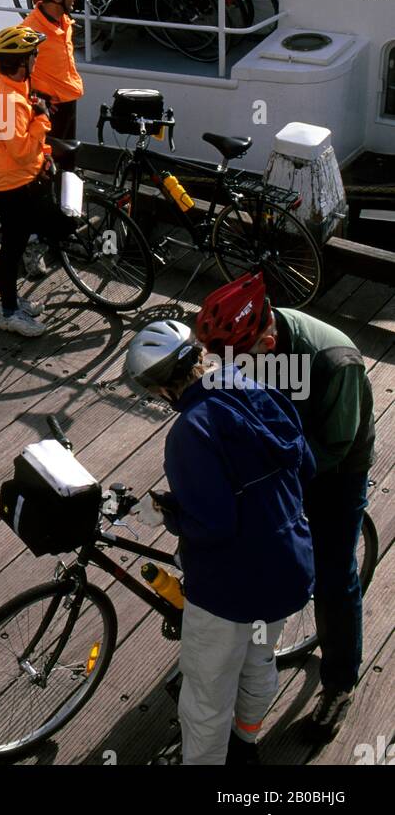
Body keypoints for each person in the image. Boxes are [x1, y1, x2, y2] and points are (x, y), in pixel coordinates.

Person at [124, 318, 315, 766]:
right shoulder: (252, 387)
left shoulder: (190, 432)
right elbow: (304, 464)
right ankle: (246, 743)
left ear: (159, 390)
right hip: (289, 568)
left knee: (206, 694)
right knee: (259, 662)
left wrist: (168, 512)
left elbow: (213, 526)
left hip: (230, 589)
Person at [196, 272, 375, 742]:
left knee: (335, 574)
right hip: (279, 446)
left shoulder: (334, 361)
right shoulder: (246, 348)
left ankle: (340, 683)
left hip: (335, 463)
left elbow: (338, 443)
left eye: (234, 360)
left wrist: (275, 474)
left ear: (268, 340)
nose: (223, 368)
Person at [0, 25, 75, 338]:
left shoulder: (18, 89)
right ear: (22, 62)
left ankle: (11, 302)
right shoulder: (8, 103)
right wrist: (42, 118)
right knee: (12, 247)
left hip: (22, 181)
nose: (37, 58)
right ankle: (8, 312)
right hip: (12, 186)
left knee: (18, 241)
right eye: (33, 54)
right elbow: (21, 152)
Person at [0, 0, 84, 141]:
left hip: (69, 102)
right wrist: (32, 96)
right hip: (50, 109)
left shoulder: (64, 21)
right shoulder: (31, 30)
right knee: (47, 165)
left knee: (67, 165)